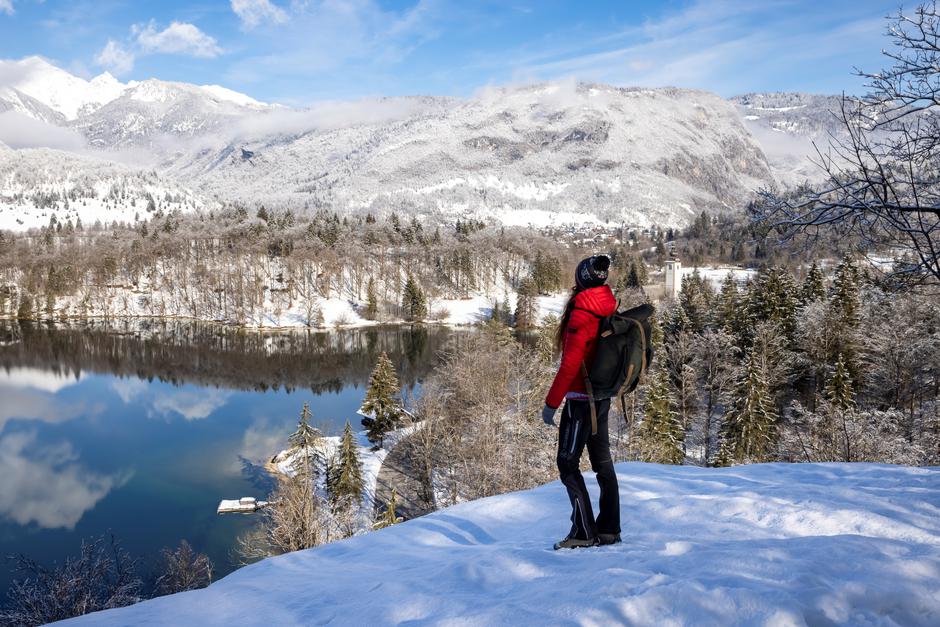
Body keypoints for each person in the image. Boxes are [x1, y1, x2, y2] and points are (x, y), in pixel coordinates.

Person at [542, 254, 620, 550]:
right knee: (602, 463)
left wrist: (551, 404)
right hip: (600, 395)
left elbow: (571, 363)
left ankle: (584, 531)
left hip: (580, 400)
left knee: (566, 461)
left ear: (581, 279)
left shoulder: (582, 312)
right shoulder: (605, 302)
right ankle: (609, 528)